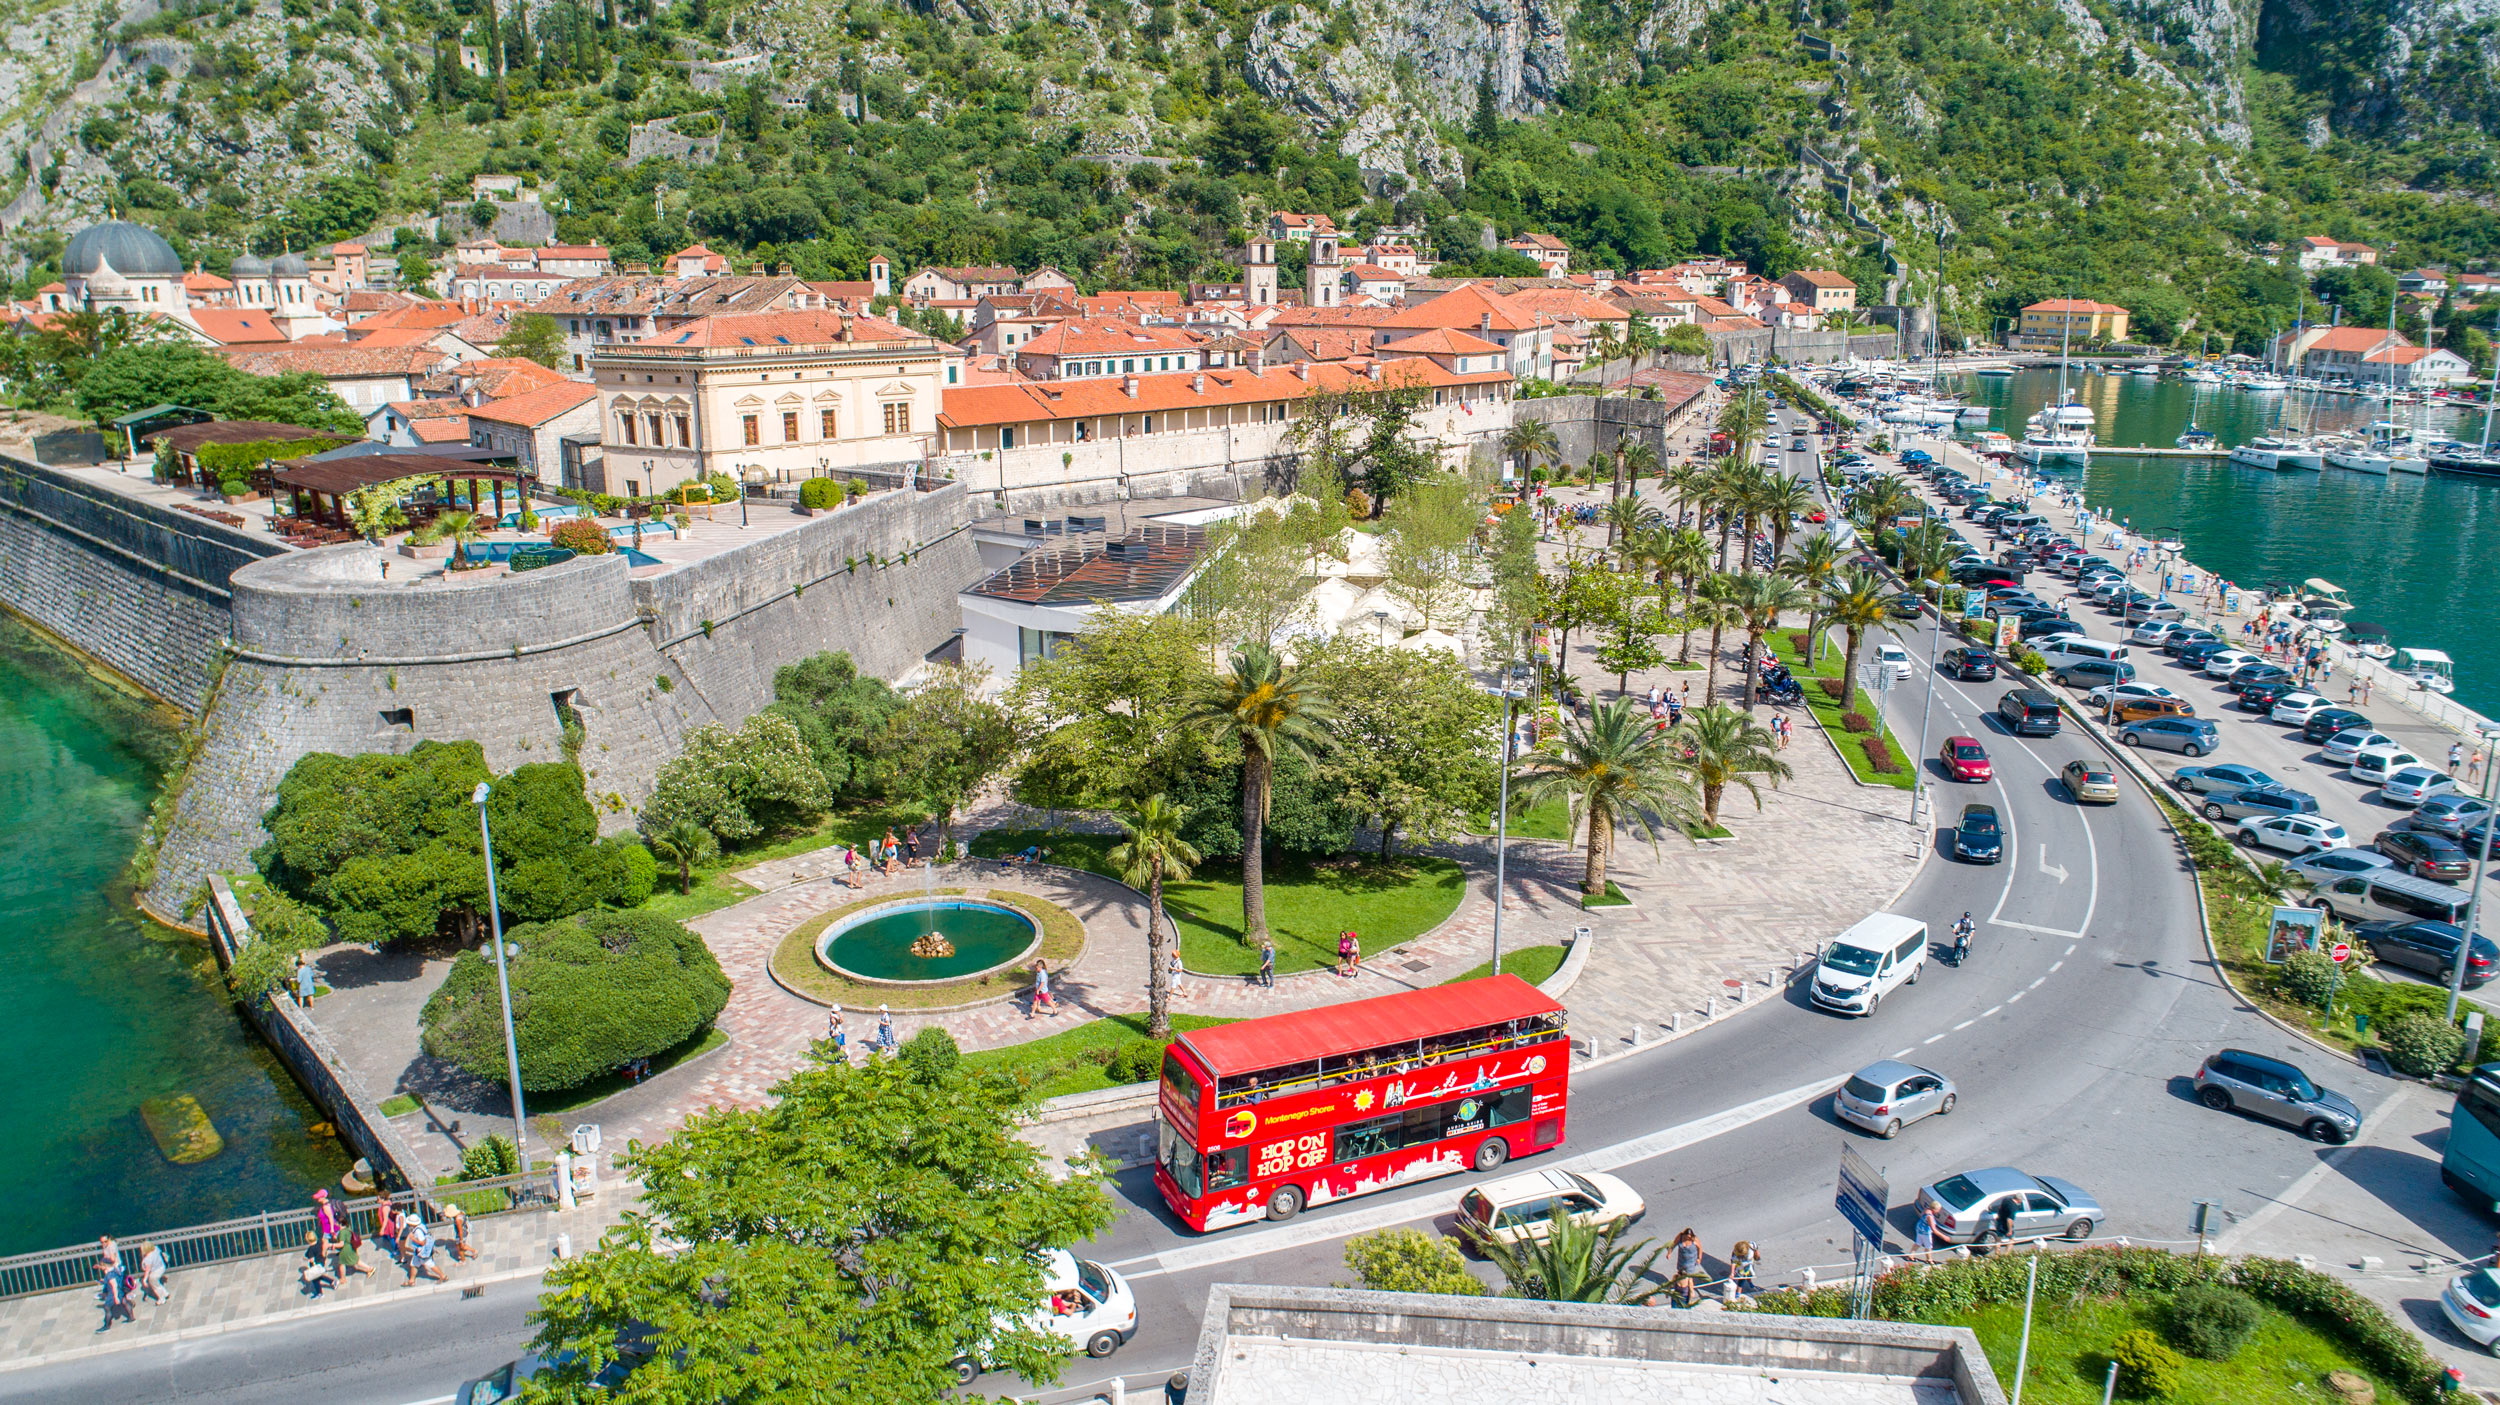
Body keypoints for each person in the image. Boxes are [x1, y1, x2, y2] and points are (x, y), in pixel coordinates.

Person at [1668, 1229, 1706, 1306]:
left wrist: (1699, 1258)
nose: (1688, 1238)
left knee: (1689, 1277)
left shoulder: (1695, 1240)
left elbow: (1700, 1249)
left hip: (1690, 1261)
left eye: (1689, 1237)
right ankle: (1679, 1286)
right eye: (1687, 1236)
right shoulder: (1680, 1237)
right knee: (1680, 1274)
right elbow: (1674, 1244)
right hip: (1682, 1260)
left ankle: (1687, 1289)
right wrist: (1669, 1253)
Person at [299, 1232, 337, 1297]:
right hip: (321, 1262)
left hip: (315, 1265)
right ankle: (332, 1281)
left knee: (315, 1279)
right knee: (319, 1276)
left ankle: (320, 1293)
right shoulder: (319, 1243)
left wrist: (305, 1259)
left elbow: (311, 1259)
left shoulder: (311, 1249)